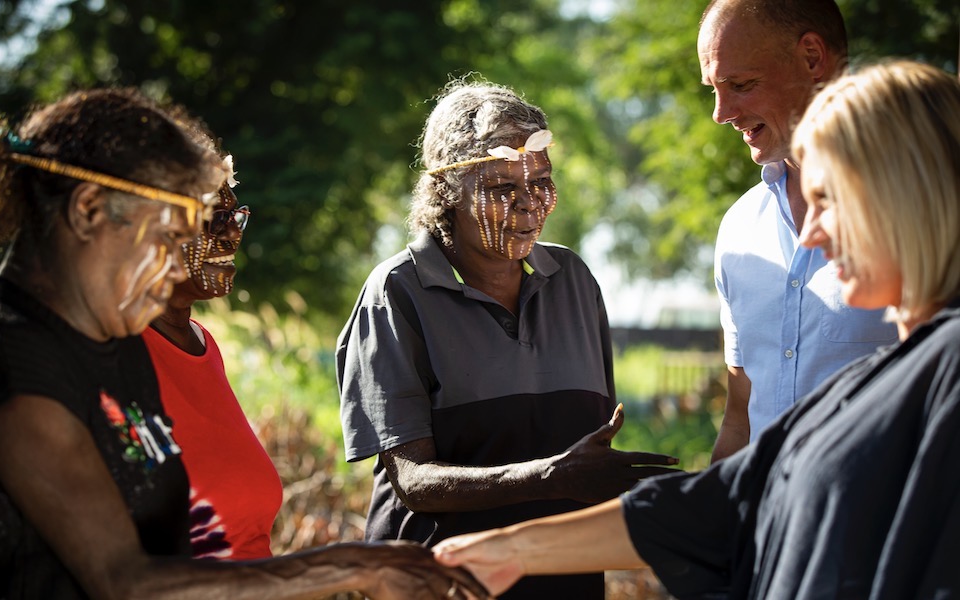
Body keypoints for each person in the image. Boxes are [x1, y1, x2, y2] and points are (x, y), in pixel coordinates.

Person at [433, 59, 960, 599]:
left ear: (905, 195)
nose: (810, 234)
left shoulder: (948, 369)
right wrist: (499, 553)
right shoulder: (874, 378)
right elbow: (727, 502)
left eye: (828, 201)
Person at [0, 88, 487, 600]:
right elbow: (126, 582)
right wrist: (348, 565)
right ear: (89, 209)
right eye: (168, 237)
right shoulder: (4, 357)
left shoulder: (105, 344)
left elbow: (185, 550)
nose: (174, 265)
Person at [336, 80, 679, 599]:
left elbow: (583, 446)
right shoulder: (398, 292)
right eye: (501, 189)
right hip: (441, 585)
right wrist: (552, 478)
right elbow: (413, 480)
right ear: (446, 191)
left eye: (541, 182)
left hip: (563, 583)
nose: (529, 205)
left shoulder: (573, 280)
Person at [701, 0, 897, 462]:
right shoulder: (738, 229)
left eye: (741, 84)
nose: (720, 112)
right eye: (713, 89)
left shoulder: (929, 208)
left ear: (812, 58)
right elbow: (740, 418)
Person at [141, 145, 282, 560]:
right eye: (214, 219)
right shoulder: (112, 353)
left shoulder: (204, 345)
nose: (233, 233)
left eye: (236, 216)